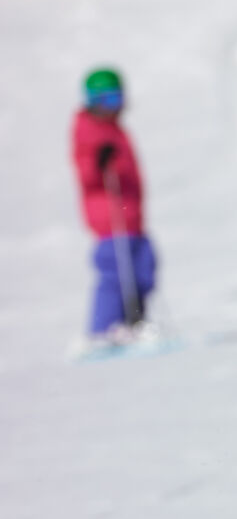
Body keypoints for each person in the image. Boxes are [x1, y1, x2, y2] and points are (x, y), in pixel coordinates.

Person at [71, 67, 158, 344]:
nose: (113, 107)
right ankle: (103, 331)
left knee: (144, 269)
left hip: (131, 217)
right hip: (110, 220)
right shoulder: (87, 130)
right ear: (91, 101)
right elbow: (86, 173)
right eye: (105, 100)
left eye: (117, 99)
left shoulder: (116, 129)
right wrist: (98, 163)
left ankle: (135, 324)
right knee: (116, 275)